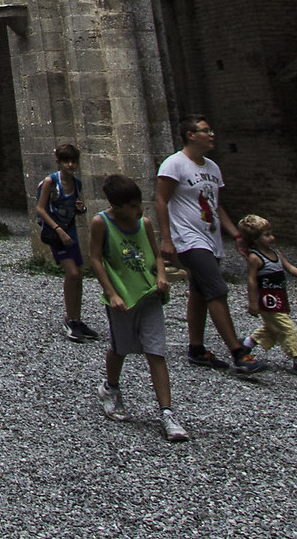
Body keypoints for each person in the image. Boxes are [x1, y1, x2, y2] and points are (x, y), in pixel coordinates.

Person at [154, 116, 266, 374]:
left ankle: (196, 348)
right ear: (191, 135)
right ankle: (238, 352)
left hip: (210, 237)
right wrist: (167, 239)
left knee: (199, 291)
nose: (212, 134)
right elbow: (161, 201)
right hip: (189, 239)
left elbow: (216, 205)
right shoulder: (174, 164)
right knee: (217, 289)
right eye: (206, 130)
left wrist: (235, 234)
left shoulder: (213, 168)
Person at [85, 172, 187, 442]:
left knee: (156, 352)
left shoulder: (144, 223)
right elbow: (95, 259)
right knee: (120, 348)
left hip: (149, 296)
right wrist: (111, 294)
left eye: (139, 203)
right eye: (132, 206)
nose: (139, 209)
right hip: (123, 299)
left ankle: (167, 414)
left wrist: (161, 276)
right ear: (116, 206)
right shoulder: (101, 223)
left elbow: (156, 256)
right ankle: (111, 388)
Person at [236, 214, 297, 378]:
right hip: (267, 302)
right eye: (266, 235)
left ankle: (246, 344)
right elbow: (251, 281)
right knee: (287, 328)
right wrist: (253, 303)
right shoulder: (255, 258)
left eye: (271, 234)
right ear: (255, 239)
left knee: (272, 327)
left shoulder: (276, 253)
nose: (272, 238)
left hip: (280, 299)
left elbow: (289, 267)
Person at [36, 142, 98, 341]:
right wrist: (58, 230)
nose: (70, 165)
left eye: (73, 161)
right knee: (72, 273)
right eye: (66, 161)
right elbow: (40, 209)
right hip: (57, 234)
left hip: (70, 234)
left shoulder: (76, 183)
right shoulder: (51, 181)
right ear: (58, 162)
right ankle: (70, 320)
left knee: (78, 276)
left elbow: (76, 208)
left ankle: (76, 319)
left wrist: (82, 209)